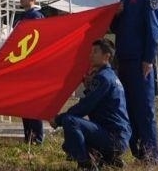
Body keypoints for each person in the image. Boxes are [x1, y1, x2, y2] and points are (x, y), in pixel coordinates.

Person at [110, 0, 158, 164]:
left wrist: (148, 59)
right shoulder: (125, 0)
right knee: (129, 109)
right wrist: (115, 15)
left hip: (140, 62)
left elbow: (154, 29)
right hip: (124, 61)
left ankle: (152, 157)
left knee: (144, 109)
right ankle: (138, 153)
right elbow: (115, 29)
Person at [51, 39, 131, 170]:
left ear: (106, 56)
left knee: (70, 122)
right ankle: (109, 159)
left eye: (95, 52)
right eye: (91, 52)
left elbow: (85, 107)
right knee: (69, 143)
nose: (90, 55)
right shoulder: (111, 76)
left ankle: (86, 164)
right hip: (119, 136)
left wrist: (58, 119)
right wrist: (89, 87)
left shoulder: (103, 78)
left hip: (113, 137)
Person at [15, 0, 45, 145]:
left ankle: (37, 137)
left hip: (32, 66)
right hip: (22, 64)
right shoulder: (23, 16)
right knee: (24, 102)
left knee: (32, 102)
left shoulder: (36, 16)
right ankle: (28, 136)